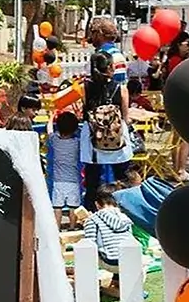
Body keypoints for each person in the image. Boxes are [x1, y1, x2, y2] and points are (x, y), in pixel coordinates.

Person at [81, 51, 132, 210]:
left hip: (92, 142)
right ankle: (125, 211)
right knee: (123, 179)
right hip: (117, 141)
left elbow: (81, 111)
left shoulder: (84, 87)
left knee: (92, 183)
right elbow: (125, 117)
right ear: (111, 67)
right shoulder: (121, 88)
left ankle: (91, 215)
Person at [82, 184, 133, 268]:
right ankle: (117, 280)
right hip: (130, 259)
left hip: (110, 261)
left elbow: (90, 244)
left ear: (97, 204)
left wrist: (87, 224)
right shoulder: (125, 217)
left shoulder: (93, 219)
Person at [47, 112, 82, 229]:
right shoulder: (77, 142)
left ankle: (56, 229)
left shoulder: (55, 140)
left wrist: (51, 117)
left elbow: (49, 130)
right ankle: (72, 227)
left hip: (58, 181)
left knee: (57, 207)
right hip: (73, 181)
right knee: (73, 207)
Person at [87, 17, 127, 86]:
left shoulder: (102, 56)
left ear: (99, 34)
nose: (91, 36)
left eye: (93, 32)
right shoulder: (118, 54)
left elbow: (97, 83)